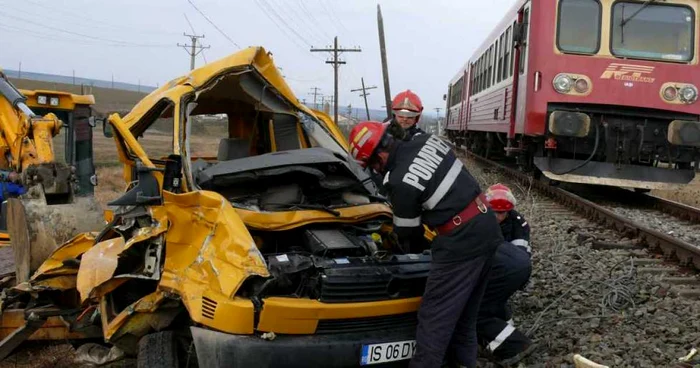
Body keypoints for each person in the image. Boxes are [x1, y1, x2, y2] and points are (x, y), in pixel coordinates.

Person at [348, 121, 503, 368]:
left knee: (434, 319)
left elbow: (408, 233)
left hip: (461, 241)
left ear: (380, 156)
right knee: (465, 317)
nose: (376, 171)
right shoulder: (426, 141)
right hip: (486, 226)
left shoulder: (400, 182)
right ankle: (464, 363)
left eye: (373, 165)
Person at [476, 183, 535, 365]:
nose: (498, 217)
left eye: (502, 213)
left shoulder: (518, 224)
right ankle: (504, 328)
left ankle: (512, 343)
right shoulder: (481, 217)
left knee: (477, 310)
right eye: (494, 212)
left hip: (506, 269)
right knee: (493, 301)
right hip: (496, 267)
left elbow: (520, 255)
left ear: (509, 211)